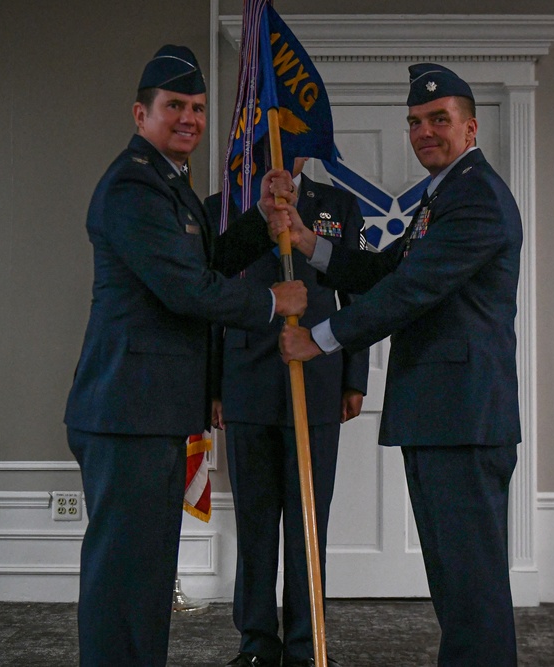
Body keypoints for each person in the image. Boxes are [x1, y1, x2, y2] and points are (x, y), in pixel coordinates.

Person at [63, 45, 306, 667]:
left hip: (152, 411)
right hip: (127, 410)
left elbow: (207, 260)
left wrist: (259, 217)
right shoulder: (131, 187)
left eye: (198, 107)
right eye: (175, 106)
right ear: (141, 113)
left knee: (144, 575)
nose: (190, 118)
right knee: (125, 579)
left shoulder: (168, 183)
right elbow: (185, 288)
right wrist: (270, 303)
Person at [277, 64, 522, 666]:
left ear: (470, 127)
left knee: (472, 590)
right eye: (415, 122)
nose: (424, 132)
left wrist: (321, 338)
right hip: (442, 416)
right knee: (457, 588)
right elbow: (387, 270)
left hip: (464, 418)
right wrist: (309, 242)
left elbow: (412, 291)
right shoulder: (446, 195)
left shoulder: (477, 196)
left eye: (439, 120)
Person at [205, 158, 369, 667]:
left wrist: (354, 378)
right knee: (255, 525)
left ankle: (305, 645)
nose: (280, 151)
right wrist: (213, 385)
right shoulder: (224, 209)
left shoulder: (338, 206)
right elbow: (208, 298)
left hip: (318, 382)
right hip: (247, 382)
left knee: (307, 524)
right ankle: (256, 644)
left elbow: (356, 293)